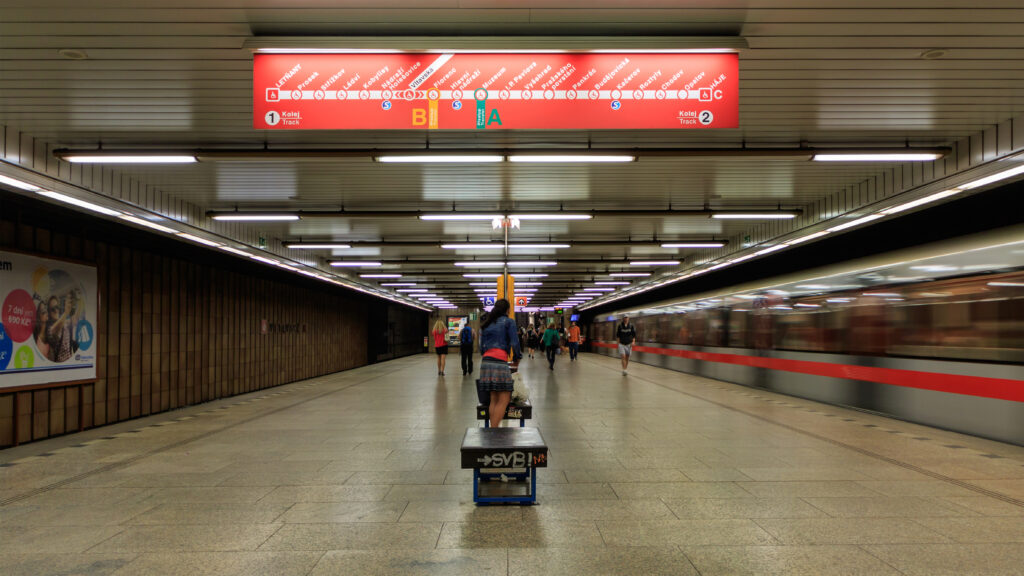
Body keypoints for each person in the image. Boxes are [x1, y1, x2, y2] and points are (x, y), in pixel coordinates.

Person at [478, 299, 522, 428]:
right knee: (504, 398)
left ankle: (493, 429)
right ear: (507, 310)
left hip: (486, 362)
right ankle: (494, 431)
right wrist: (517, 357)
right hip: (499, 361)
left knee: (494, 398)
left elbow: (481, 347)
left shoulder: (487, 323)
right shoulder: (509, 322)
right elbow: (515, 342)